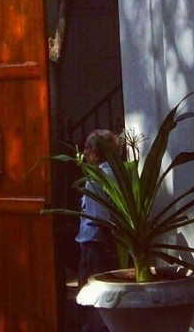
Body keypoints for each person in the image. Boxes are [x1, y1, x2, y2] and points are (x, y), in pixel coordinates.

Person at [76, 129, 121, 332]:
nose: (84, 152)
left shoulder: (95, 180)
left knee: (92, 300)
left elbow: (99, 219)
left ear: (95, 153)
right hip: (111, 245)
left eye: (87, 148)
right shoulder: (119, 174)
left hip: (96, 245)